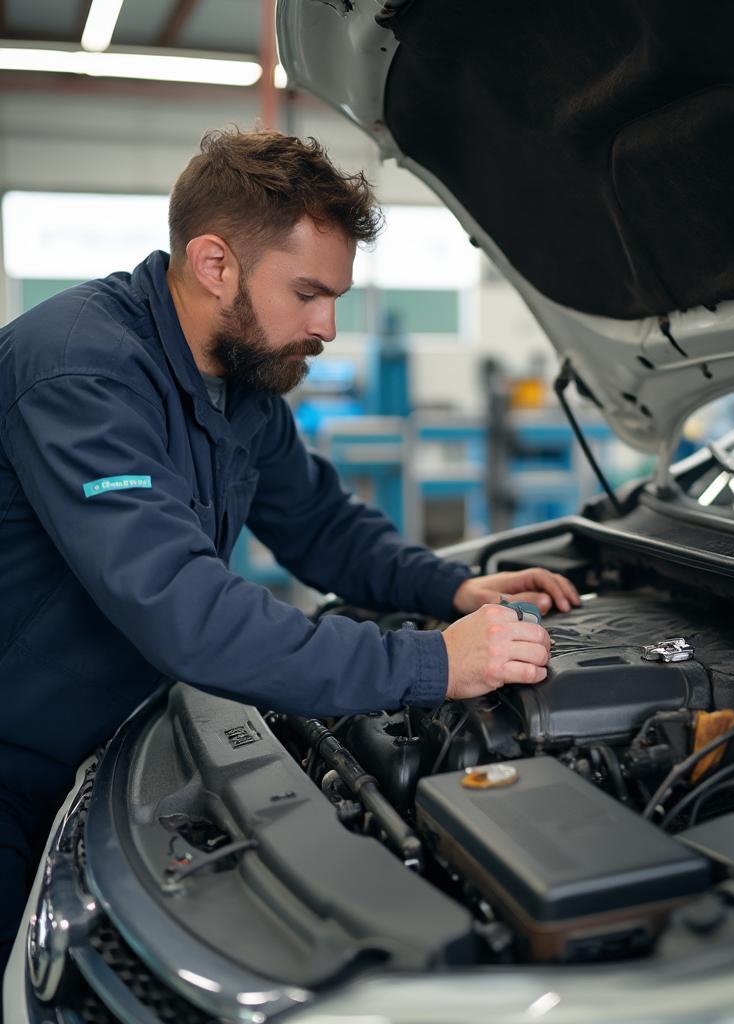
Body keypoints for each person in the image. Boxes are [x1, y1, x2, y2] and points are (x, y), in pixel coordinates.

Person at [0, 128, 579, 977]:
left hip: (100, 749)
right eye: (308, 292)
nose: (328, 327)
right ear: (213, 263)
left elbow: (323, 528)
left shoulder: (238, 385)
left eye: (336, 297)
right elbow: (186, 613)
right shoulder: (82, 372)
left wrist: (453, 590)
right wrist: (429, 665)